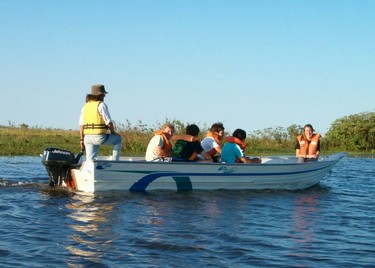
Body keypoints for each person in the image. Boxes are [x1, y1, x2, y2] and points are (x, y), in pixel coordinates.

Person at [79, 84, 122, 161]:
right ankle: (115, 162)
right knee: (118, 139)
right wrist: (113, 132)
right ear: (99, 95)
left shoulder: (85, 107)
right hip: (99, 137)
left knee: (90, 160)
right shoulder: (101, 105)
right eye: (103, 94)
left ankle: (92, 171)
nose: (104, 96)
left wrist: (81, 140)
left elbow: (81, 125)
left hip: (87, 138)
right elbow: (108, 122)